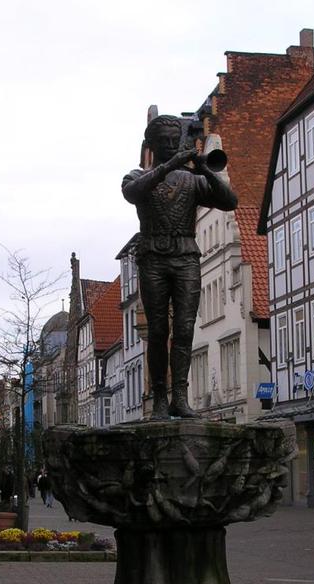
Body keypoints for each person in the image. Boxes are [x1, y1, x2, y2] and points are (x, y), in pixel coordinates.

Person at [122, 114, 238, 419]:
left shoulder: (192, 180)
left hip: (186, 256)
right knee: (158, 330)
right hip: (153, 257)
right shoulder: (136, 176)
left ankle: (181, 397)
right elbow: (132, 193)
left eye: (175, 141)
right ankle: (160, 397)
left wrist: (204, 169)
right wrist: (169, 166)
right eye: (164, 141)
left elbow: (230, 201)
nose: (171, 145)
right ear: (151, 145)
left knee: (185, 329)